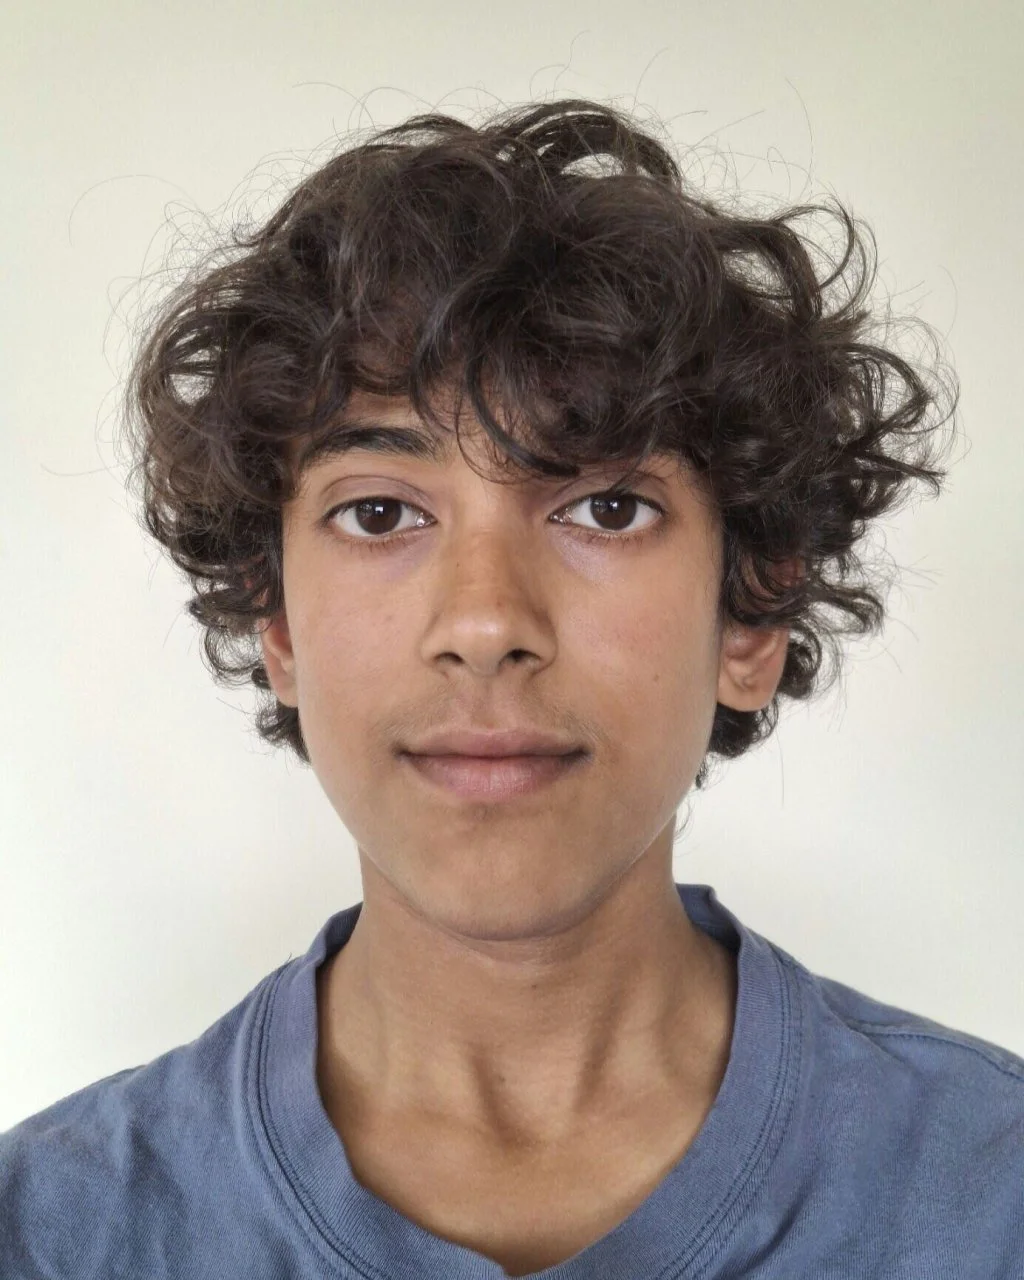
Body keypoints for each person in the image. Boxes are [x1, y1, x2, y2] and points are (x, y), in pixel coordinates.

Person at [1, 97, 1020, 1280]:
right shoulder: (51, 1232)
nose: (486, 622)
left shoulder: (992, 1196)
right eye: (379, 512)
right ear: (275, 618)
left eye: (605, 506)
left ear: (751, 613)